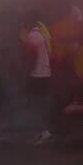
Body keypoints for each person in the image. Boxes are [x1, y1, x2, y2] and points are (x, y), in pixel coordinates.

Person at [24, 16, 55, 147]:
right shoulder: (43, 33)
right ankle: (42, 131)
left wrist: (26, 73)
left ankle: (44, 132)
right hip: (46, 73)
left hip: (37, 74)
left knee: (37, 104)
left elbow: (31, 56)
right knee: (42, 103)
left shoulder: (33, 35)